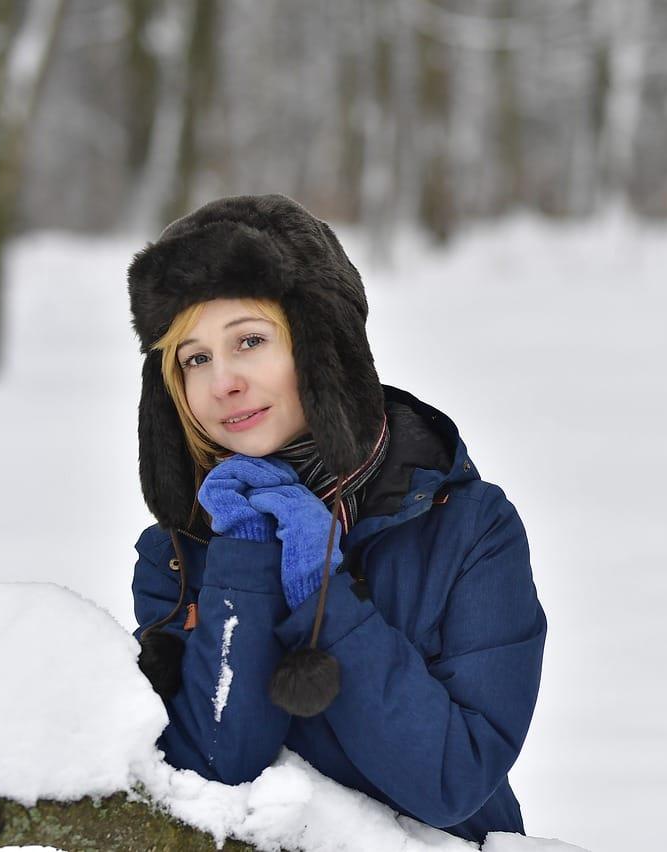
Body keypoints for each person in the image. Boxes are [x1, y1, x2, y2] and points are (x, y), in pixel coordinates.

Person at [126, 194, 547, 843]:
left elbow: (451, 782)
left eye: (250, 341)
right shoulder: (178, 555)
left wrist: (326, 596)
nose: (222, 383)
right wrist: (245, 558)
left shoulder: (467, 527)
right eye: (195, 357)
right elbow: (217, 769)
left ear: (323, 349)